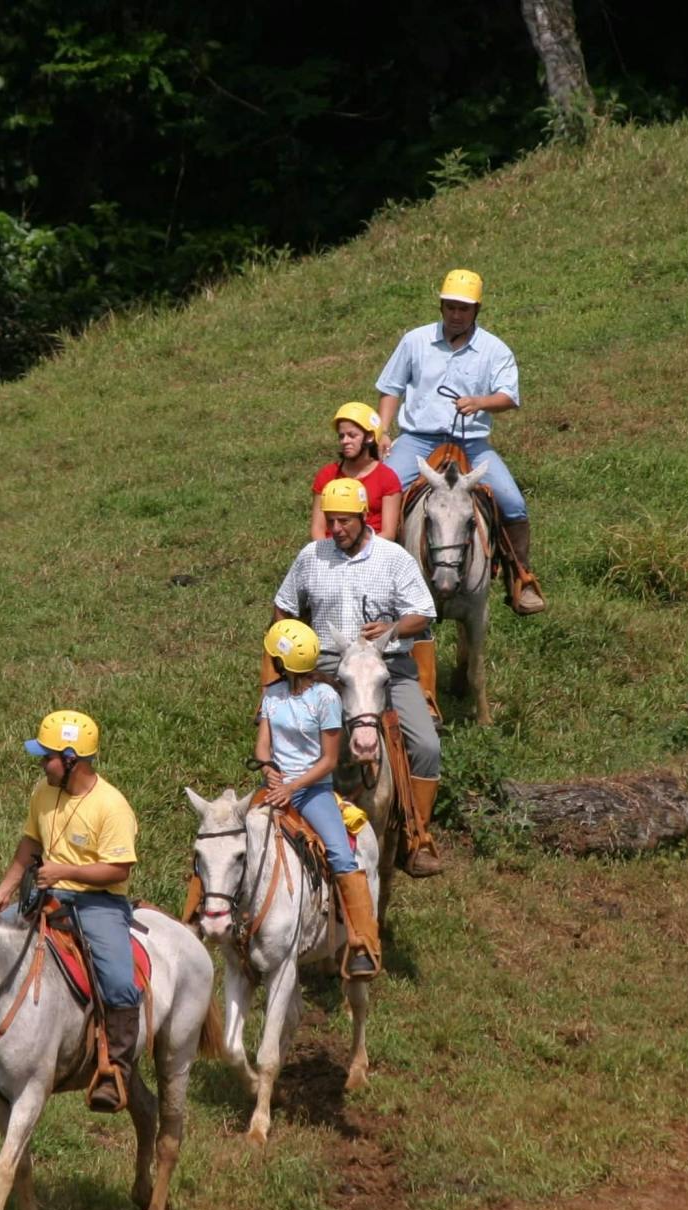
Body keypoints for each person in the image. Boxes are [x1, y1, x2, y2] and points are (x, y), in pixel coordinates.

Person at [0, 709, 143, 1112]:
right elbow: (29, 845)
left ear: (70, 760)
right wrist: (2, 892)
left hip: (100, 903)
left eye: (45, 756)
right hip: (47, 898)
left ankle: (114, 1070)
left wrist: (65, 870)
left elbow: (119, 868)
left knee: (118, 980)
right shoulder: (43, 793)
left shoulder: (112, 806)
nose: (39, 763)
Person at [270, 476, 444, 877]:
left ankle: (415, 836)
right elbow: (283, 608)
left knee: (427, 745)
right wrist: (287, 653)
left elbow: (424, 613)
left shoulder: (393, 558)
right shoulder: (312, 557)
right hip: (326, 666)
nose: (336, 529)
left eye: (344, 521)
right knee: (283, 729)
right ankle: (279, 814)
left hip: (387, 666)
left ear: (364, 517)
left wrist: (392, 629)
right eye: (331, 520)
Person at [374, 268, 545, 614]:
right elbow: (391, 388)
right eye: (450, 307)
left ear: (476, 311)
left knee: (512, 502)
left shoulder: (494, 349)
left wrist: (479, 402)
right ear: (441, 306)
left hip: (471, 442)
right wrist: (382, 430)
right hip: (418, 439)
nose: (455, 314)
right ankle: (374, 579)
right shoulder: (415, 341)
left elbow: (509, 397)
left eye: (463, 309)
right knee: (379, 494)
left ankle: (520, 577)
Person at [257, 618, 380, 977]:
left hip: (311, 791)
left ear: (282, 661)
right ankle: (203, 915)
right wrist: (270, 773)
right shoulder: (272, 695)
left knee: (342, 854)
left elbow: (328, 760)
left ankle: (361, 941)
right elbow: (263, 745)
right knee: (225, 832)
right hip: (275, 786)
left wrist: (291, 788)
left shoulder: (326, 698)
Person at [310, 402, 403, 542]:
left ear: (369, 437)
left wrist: (360, 551)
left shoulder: (387, 477)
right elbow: (317, 530)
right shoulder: (327, 475)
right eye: (341, 436)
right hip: (332, 550)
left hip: (373, 550)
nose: (345, 441)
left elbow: (388, 533)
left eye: (352, 435)